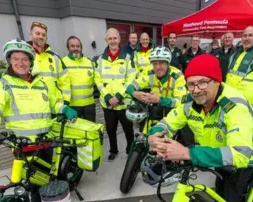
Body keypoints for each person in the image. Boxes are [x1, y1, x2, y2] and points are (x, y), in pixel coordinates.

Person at [148, 54, 253, 202]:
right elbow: (168, 122)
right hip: (217, 153)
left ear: (217, 81)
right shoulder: (190, 101)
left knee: (231, 201)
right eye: (191, 83)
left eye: (203, 82)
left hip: (247, 159)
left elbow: (239, 155)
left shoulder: (234, 105)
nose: (196, 89)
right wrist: (154, 135)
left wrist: (187, 153)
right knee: (219, 193)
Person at [0, 39, 77, 202]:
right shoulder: (2, 84)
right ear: (9, 61)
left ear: (31, 62)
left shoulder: (41, 83)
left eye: (25, 59)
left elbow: (55, 103)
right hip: (23, 145)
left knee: (50, 178)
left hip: (46, 141)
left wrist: (65, 109)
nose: (21, 63)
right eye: (16, 59)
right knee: (32, 181)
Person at [95, 28, 136, 161]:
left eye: (115, 38)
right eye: (110, 38)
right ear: (106, 40)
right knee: (111, 130)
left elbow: (131, 78)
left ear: (119, 39)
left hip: (123, 103)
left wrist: (119, 96)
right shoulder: (100, 59)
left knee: (128, 130)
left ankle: (130, 149)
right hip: (108, 104)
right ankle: (113, 150)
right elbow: (97, 79)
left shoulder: (128, 58)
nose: (113, 41)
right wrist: (107, 97)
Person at [125, 46, 187, 133]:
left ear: (168, 64)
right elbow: (130, 85)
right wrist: (135, 93)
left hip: (174, 116)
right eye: (154, 64)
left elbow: (180, 101)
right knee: (144, 139)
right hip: (156, 114)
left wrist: (159, 100)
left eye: (161, 63)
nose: (157, 67)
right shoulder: (151, 75)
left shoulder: (177, 77)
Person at [27, 21, 71, 104]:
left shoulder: (55, 57)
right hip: (34, 106)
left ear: (46, 38)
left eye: (43, 35)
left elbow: (64, 80)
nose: (41, 37)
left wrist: (66, 101)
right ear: (31, 35)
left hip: (55, 105)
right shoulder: (24, 57)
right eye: (37, 33)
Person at [62, 36, 97, 122]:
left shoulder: (89, 62)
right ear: (68, 48)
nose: (75, 48)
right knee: (75, 133)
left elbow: (97, 80)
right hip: (72, 106)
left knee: (91, 132)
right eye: (72, 46)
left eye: (78, 46)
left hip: (89, 105)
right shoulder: (62, 63)